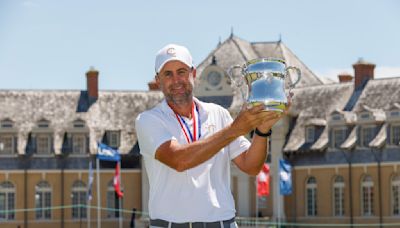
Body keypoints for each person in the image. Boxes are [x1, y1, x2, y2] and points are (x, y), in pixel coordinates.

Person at [135, 44, 288, 228]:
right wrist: (234, 130)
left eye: (181, 71)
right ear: (158, 80)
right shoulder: (148, 120)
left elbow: (251, 166)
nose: (176, 80)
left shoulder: (219, 114)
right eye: (168, 74)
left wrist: (262, 131)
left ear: (193, 74)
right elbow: (179, 160)